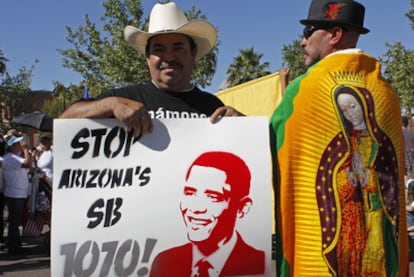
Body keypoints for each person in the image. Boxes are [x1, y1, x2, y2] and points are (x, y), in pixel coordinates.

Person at [269, 0, 408, 276]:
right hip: (354, 230)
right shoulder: (387, 92)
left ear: (334, 35)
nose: (302, 42)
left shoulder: (302, 91)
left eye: (309, 31)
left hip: (363, 231)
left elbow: (271, 147)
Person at [59, 1, 242, 137]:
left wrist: (243, 125)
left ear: (193, 53)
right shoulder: (126, 99)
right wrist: (110, 104)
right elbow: (64, 122)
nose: (169, 57)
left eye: (178, 47)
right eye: (159, 49)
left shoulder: (212, 106)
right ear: (147, 57)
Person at [150, 151, 265, 277]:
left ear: (242, 208)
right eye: (190, 193)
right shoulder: (164, 263)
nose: (196, 208)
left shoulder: (262, 264)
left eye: (213, 197)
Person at [2, 135, 32, 254]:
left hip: (18, 192)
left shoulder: (13, 157)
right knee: (14, 222)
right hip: (14, 193)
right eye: (19, 144)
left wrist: (28, 153)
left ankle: (16, 245)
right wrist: (26, 150)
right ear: (14, 146)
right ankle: (13, 248)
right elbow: (26, 164)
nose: (21, 146)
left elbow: (29, 165)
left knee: (15, 220)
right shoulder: (10, 158)